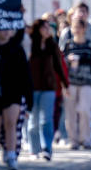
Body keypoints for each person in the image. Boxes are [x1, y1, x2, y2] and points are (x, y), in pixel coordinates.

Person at [0, 27, 32, 170]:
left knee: (11, 124)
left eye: (9, 29)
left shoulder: (17, 49)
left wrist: (28, 98)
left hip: (13, 92)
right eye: (2, 29)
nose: (6, 32)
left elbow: (25, 74)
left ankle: (11, 155)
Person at [27, 18, 67, 161]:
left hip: (48, 87)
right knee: (33, 120)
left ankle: (47, 148)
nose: (47, 30)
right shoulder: (30, 44)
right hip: (32, 87)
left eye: (48, 28)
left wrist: (65, 84)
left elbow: (58, 65)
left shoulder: (52, 45)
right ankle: (34, 149)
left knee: (46, 119)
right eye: (44, 27)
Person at [59, 12, 91, 150]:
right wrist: (68, 61)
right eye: (74, 27)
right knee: (70, 113)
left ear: (84, 29)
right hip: (71, 82)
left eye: (79, 27)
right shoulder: (68, 45)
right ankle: (73, 140)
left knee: (85, 111)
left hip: (86, 82)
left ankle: (86, 139)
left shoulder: (89, 46)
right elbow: (61, 63)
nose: (76, 30)